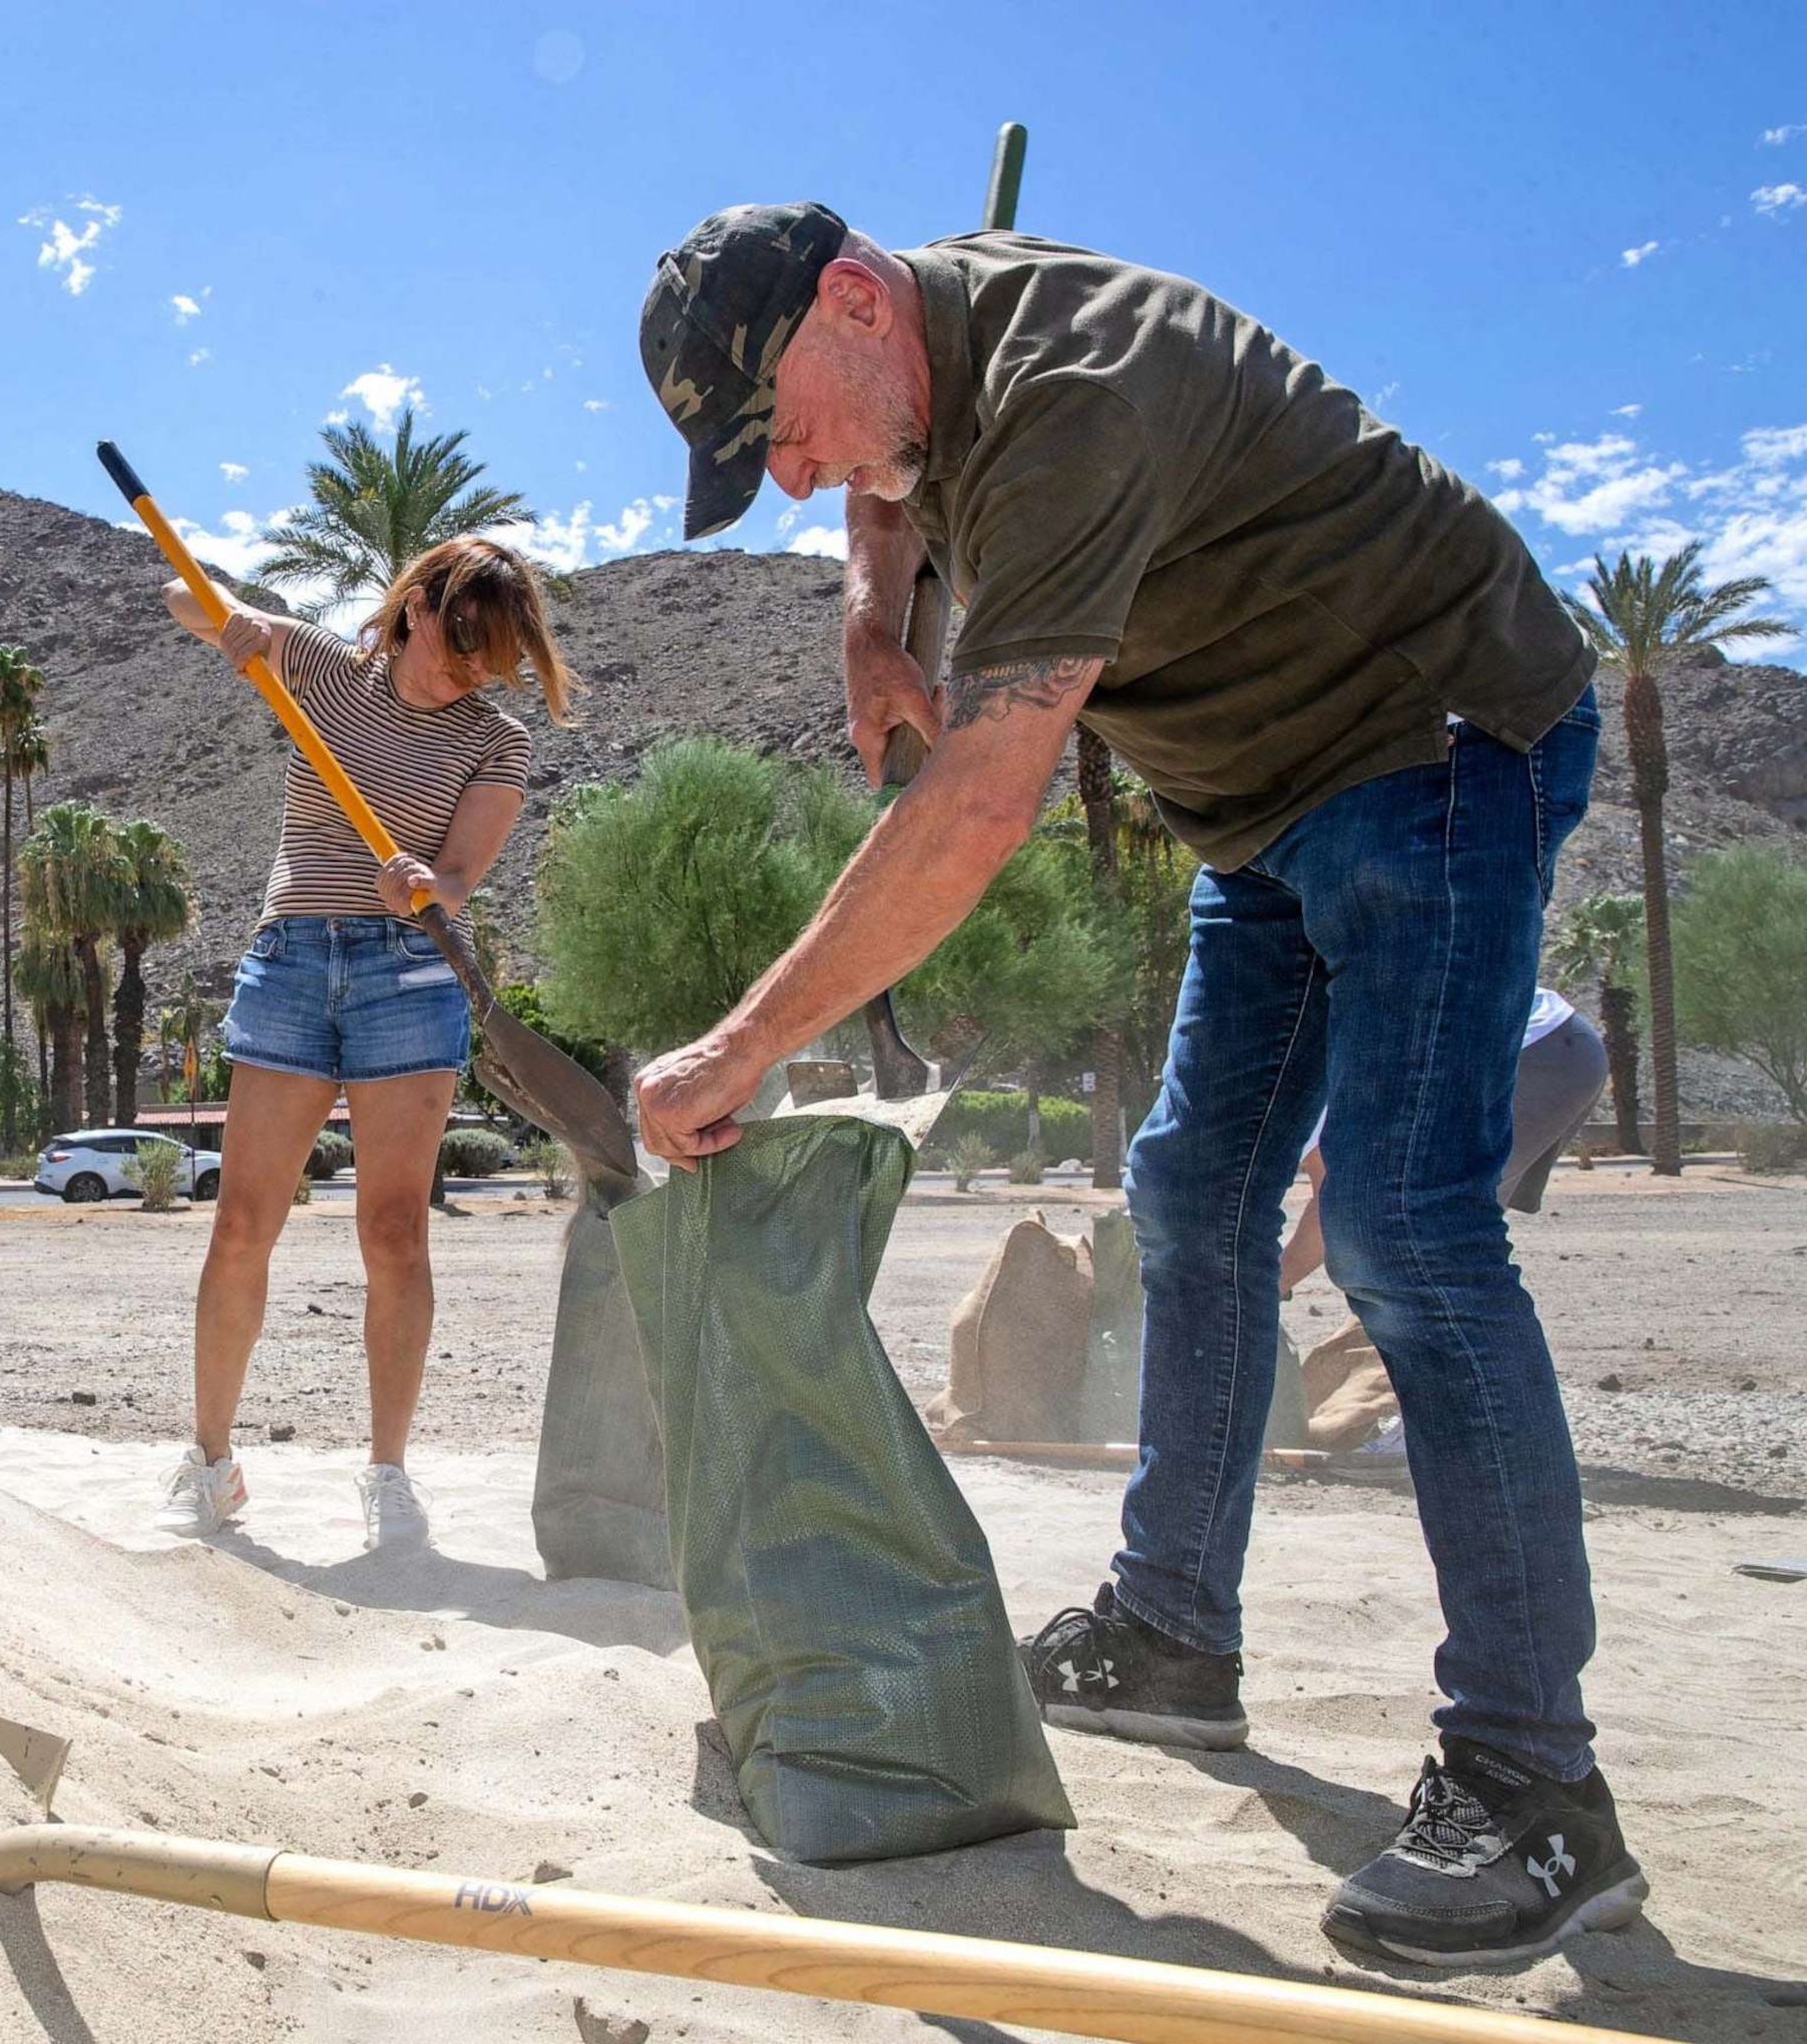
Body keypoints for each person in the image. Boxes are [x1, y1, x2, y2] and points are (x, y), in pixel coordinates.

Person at [637, 204, 1627, 1965]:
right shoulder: (905, 362)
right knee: (1191, 1195)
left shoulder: (1076, 387)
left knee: (1398, 1226)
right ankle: (1171, 1630)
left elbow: (981, 802)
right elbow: (881, 485)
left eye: (774, 432)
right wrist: (877, 631)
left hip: (1436, 736)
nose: (787, 484)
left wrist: (744, 1040)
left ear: (855, 302)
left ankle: (1534, 1781)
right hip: (1253, 800)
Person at [152, 536, 576, 1551]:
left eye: (497, 655)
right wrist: (236, 623)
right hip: (292, 962)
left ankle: (389, 1472)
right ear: (419, 606)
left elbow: (463, 872)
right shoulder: (317, 666)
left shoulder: (495, 737)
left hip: (409, 973)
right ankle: (210, 1461)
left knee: (394, 1231)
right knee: (245, 1220)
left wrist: (430, 886)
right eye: (463, 639)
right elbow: (180, 594)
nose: (471, 669)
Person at [1282, 988, 1611, 1298]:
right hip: (1553, 1044)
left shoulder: (1298, 1073)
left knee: (1435, 1242)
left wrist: (1271, 1286)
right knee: (1433, 1249)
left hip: (1534, 1053)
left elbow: (1336, 1201)